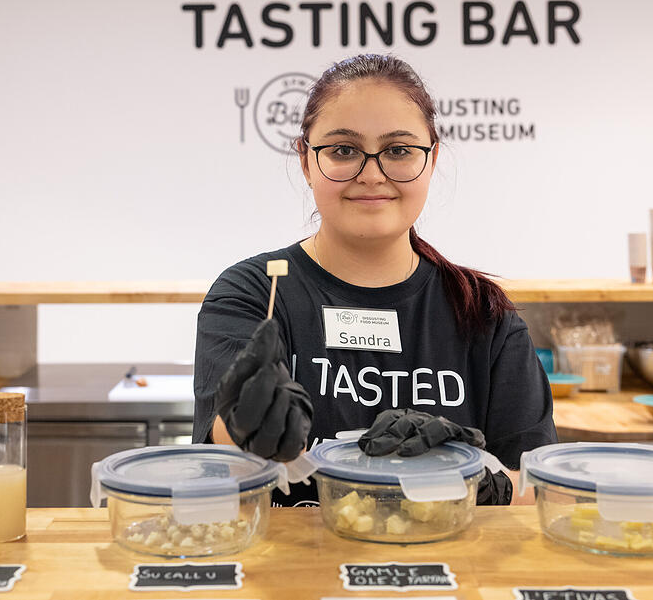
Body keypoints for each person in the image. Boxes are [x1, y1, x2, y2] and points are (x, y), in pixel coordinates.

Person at [193, 54, 556, 506]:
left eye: (399, 151)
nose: (372, 174)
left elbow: (544, 493)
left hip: (448, 571)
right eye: (343, 150)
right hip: (293, 572)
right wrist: (250, 422)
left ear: (432, 159)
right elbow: (224, 451)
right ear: (306, 160)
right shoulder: (254, 293)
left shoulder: (483, 313)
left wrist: (477, 479)